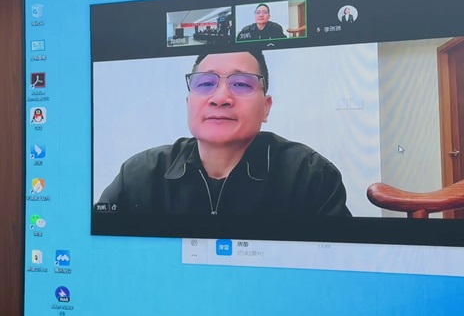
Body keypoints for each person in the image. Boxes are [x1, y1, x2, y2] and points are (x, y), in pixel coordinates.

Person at [98, 50, 351, 217]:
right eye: (206, 83)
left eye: (240, 84)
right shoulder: (139, 175)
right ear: (188, 104)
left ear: (266, 107)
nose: (220, 98)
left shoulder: (310, 177)